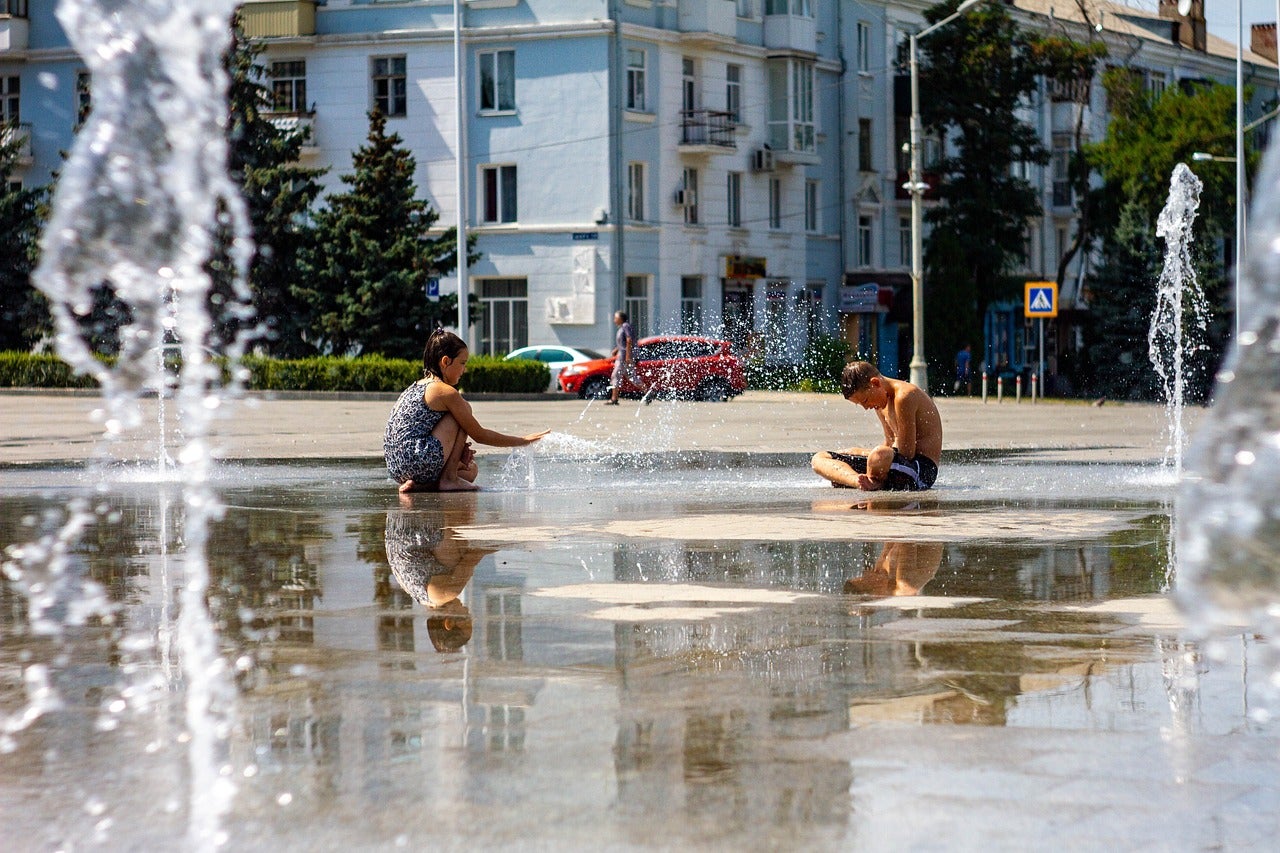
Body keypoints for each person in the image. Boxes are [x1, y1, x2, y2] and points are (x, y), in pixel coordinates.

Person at [384, 328, 550, 492]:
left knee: (470, 471)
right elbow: (479, 435)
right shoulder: (445, 391)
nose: (465, 369)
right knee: (464, 409)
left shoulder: (417, 385)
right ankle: (449, 479)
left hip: (397, 468)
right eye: (462, 363)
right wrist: (523, 440)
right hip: (417, 459)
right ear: (445, 361)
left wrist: (457, 453)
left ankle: (421, 485)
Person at [810, 360, 943, 491]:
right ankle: (859, 482)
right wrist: (857, 454)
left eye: (865, 401)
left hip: (920, 471)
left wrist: (870, 456)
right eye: (861, 405)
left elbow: (907, 452)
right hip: (896, 464)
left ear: (875, 383)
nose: (866, 407)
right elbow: (890, 442)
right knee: (820, 458)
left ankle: (861, 479)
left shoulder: (904, 396)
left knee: (878, 454)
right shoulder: (879, 402)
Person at [606, 310, 653, 405]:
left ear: (620, 318)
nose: (614, 320)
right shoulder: (623, 327)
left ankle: (614, 399)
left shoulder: (625, 326)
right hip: (623, 355)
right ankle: (648, 392)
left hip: (623, 357)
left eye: (616, 318)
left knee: (616, 375)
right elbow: (623, 342)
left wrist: (628, 356)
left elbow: (629, 340)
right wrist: (616, 349)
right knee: (631, 376)